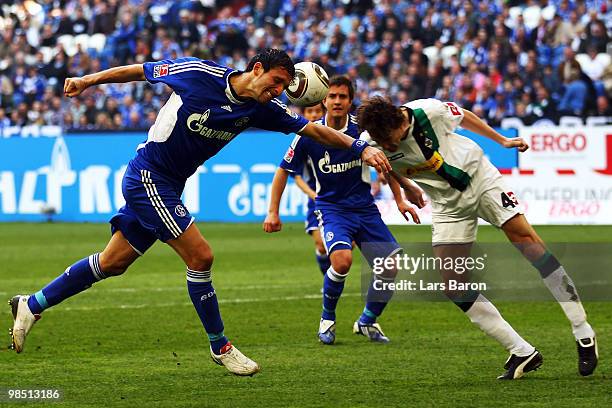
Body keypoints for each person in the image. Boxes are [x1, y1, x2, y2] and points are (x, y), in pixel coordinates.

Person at [8, 49, 392, 377]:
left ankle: (33, 304)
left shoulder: (264, 110)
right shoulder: (198, 73)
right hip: (147, 176)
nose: (278, 92)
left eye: (284, 87)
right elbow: (140, 71)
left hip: (171, 185)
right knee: (201, 255)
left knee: (113, 262)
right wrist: (89, 80)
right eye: (275, 82)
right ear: (256, 69)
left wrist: (361, 149)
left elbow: (314, 131)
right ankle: (220, 346)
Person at [356, 97, 598, 379]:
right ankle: (522, 351)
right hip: (447, 204)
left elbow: (465, 116)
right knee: (453, 285)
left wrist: (501, 141)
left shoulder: (429, 112)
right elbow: (382, 163)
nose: (386, 146)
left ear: (399, 120)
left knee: (529, 246)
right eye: (380, 141)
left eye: (389, 139)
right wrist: (406, 187)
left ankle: (582, 330)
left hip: (480, 181)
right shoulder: (372, 139)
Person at [263, 76, 419, 345]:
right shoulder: (309, 134)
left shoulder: (364, 133)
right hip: (332, 209)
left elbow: (386, 164)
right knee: (342, 261)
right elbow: (282, 170)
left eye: (342, 97)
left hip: (365, 210)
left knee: (390, 267)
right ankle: (327, 319)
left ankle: (367, 321)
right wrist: (272, 212)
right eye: (332, 96)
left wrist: (400, 198)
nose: (337, 101)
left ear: (350, 101)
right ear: (323, 99)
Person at [292, 102, 331, 277]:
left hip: (340, 196)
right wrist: (313, 195)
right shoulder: (301, 141)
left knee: (347, 244)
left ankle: (334, 276)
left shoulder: (334, 136)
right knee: (321, 245)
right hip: (316, 199)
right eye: (310, 111)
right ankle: (328, 282)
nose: (314, 115)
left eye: (318, 111)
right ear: (304, 114)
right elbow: (296, 176)